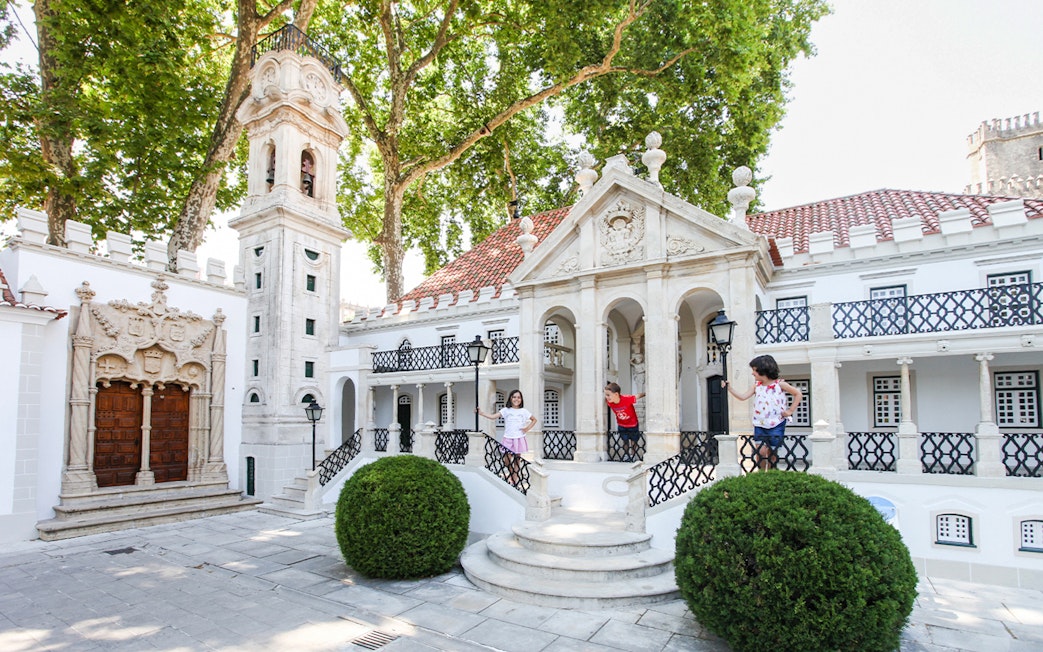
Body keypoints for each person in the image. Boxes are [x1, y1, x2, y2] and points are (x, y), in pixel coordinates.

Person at [722, 354, 803, 471]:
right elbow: (743, 397)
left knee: (773, 454)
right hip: (760, 424)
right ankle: (760, 473)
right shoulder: (756, 386)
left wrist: (790, 411)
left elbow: (798, 394)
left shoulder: (780, 384)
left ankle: (771, 474)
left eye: (754, 370)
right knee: (760, 452)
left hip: (776, 424)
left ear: (763, 370)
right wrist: (730, 389)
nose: (752, 373)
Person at [476, 389, 536, 484]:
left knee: (517, 460)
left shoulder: (524, 411)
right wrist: (482, 413)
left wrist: (526, 429)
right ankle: (512, 474)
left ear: (521, 399)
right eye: (514, 397)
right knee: (506, 460)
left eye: (519, 397)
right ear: (511, 398)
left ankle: (515, 479)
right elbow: (493, 417)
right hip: (508, 437)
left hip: (519, 438)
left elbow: (534, 420)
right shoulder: (506, 410)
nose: (517, 399)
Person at [604, 381, 645, 462]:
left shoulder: (626, 399)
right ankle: (626, 455)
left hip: (632, 424)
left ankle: (633, 455)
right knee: (625, 441)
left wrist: (646, 393)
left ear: (616, 394)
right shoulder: (609, 402)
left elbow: (637, 396)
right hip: (622, 424)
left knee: (634, 441)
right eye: (606, 395)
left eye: (608, 395)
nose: (606, 397)